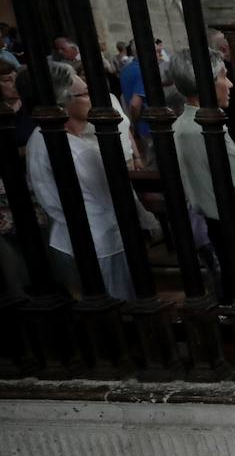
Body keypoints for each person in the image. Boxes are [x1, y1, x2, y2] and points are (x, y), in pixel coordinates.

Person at [24, 61, 149, 300]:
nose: (94, 98)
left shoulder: (39, 138)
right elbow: (113, 200)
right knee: (118, 307)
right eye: (85, 93)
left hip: (67, 239)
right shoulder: (76, 151)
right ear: (64, 102)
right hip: (100, 244)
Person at [168, 47, 235, 287]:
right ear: (207, 82)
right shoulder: (204, 129)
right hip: (230, 226)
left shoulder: (180, 124)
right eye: (224, 76)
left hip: (211, 223)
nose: (231, 84)